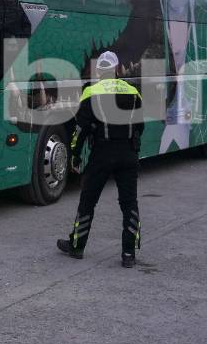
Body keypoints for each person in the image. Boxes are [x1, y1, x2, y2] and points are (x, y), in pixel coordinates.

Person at [57, 51, 144, 268]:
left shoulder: (91, 93)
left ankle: (77, 246)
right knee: (129, 203)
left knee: (88, 201)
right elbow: (141, 126)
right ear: (116, 70)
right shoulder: (133, 91)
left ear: (99, 71)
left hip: (102, 155)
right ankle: (128, 254)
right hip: (128, 154)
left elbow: (80, 130)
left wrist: (74, 155)